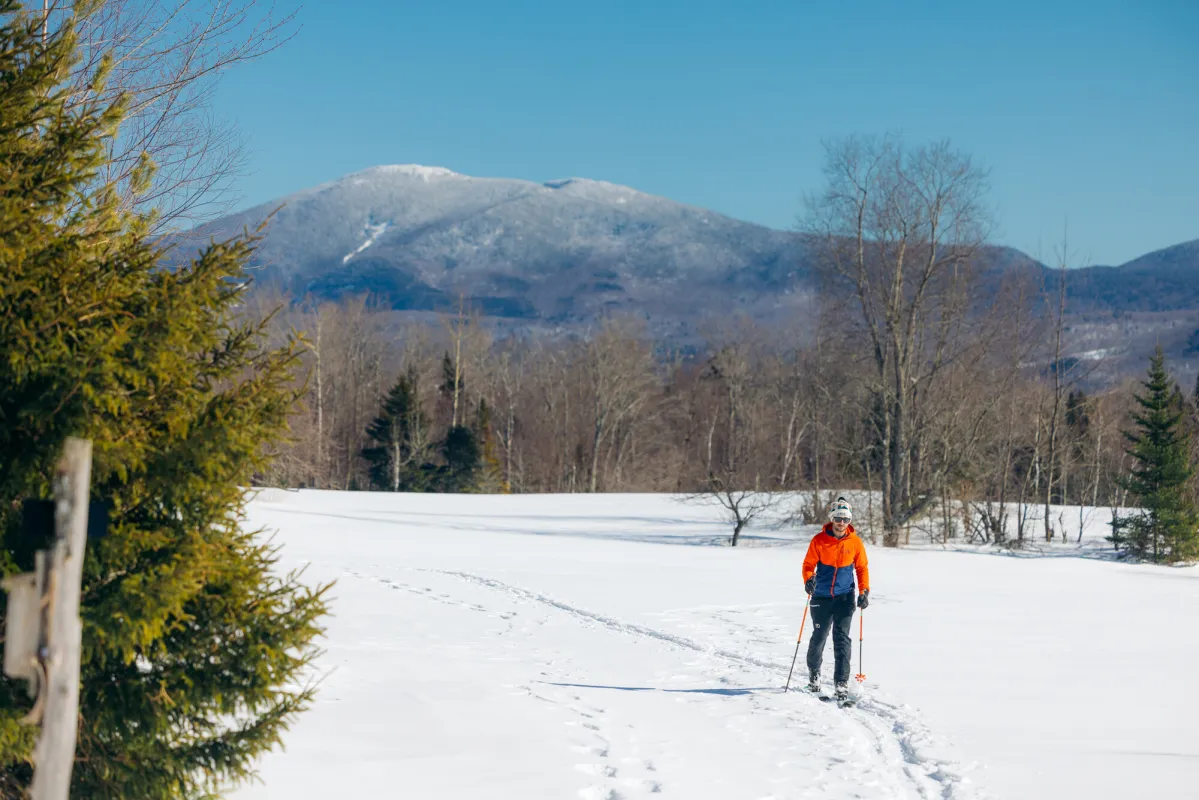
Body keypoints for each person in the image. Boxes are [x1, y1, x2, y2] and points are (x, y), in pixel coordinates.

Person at [801, 497, 870, 700]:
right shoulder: (819, 540)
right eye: (838, 518)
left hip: (844, 597)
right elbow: (808, 565)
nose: (842, 523)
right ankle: (814, 676)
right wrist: (808, 580)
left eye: (846, 519)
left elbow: (861, 568)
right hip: (821, 596)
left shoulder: (855, 542)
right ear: (832, 518)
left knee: (842, 639)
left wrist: (864, 591)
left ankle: (841, 683)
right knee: (819, 637)